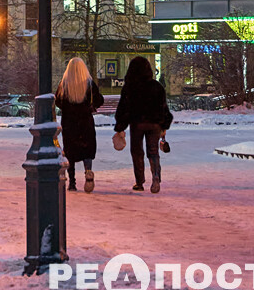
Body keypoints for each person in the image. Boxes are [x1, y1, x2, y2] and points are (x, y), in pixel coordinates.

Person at [114, 56, 173, 193]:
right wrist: (164, 125)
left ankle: (139, 182)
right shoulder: (156, 86)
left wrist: (120, 127)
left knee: (137, 152)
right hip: (155, 124)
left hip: (137, 123)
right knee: (153, 152)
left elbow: (124, 108)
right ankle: (156, 177)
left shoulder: (130, 87)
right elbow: (163, 107)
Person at [55, 57, 103, 192]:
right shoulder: (89, 83)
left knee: (70, 151)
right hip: (85, 121)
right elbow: (99, 100)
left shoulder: (64, 84)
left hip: (69, 122)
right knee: (87, 149)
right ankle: (88, 171)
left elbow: (58, 101)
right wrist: (90, 107)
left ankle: (72, 182)